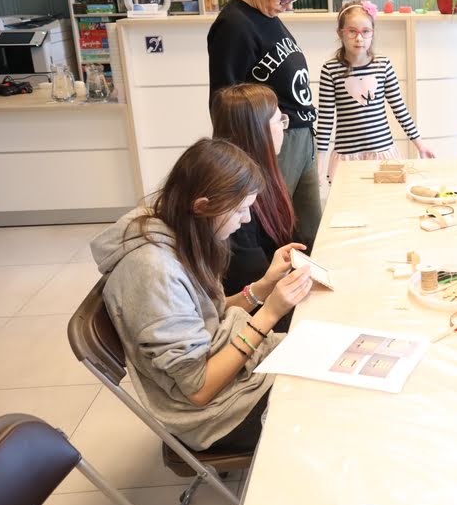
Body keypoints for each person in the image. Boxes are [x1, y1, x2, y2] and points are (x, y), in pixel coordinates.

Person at [91, 138, 314, 451]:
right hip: (213, 415)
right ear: (202, 207)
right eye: (239, 210)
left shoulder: (171, 227)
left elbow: (211, 313)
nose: (246, 219)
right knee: (325, 398)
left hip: (227, 376)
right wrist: (269, 313)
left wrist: (264, 286)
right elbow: (199, 389)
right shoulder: (155, 273)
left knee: (320, 348)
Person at [208, 0, 321, 250]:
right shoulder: (235, 25)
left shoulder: (268, 15)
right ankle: (273, 293)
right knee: (275, 231)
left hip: (300, 139)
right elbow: (224, 100)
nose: (289, 4)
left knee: (310, 229)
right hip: (271, 143)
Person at [211, 83, 307, 333]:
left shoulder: (262, 176)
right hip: (255, 316)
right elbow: (254, 283)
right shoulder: (236, 201)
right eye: (279, 120)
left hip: (268, 298)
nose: (284, 127)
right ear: (257, 131)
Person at [316, 0, 433, 182]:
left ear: (373, 33)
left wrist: (420, 145)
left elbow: (400, 109)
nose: (359, 38)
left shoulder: (383, 65)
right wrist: (319, 163)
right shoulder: (330, 70)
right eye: (352, 31)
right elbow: (325, 120)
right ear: (340, 33)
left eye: (365, 31)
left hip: (382, 154)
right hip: (347, 157)